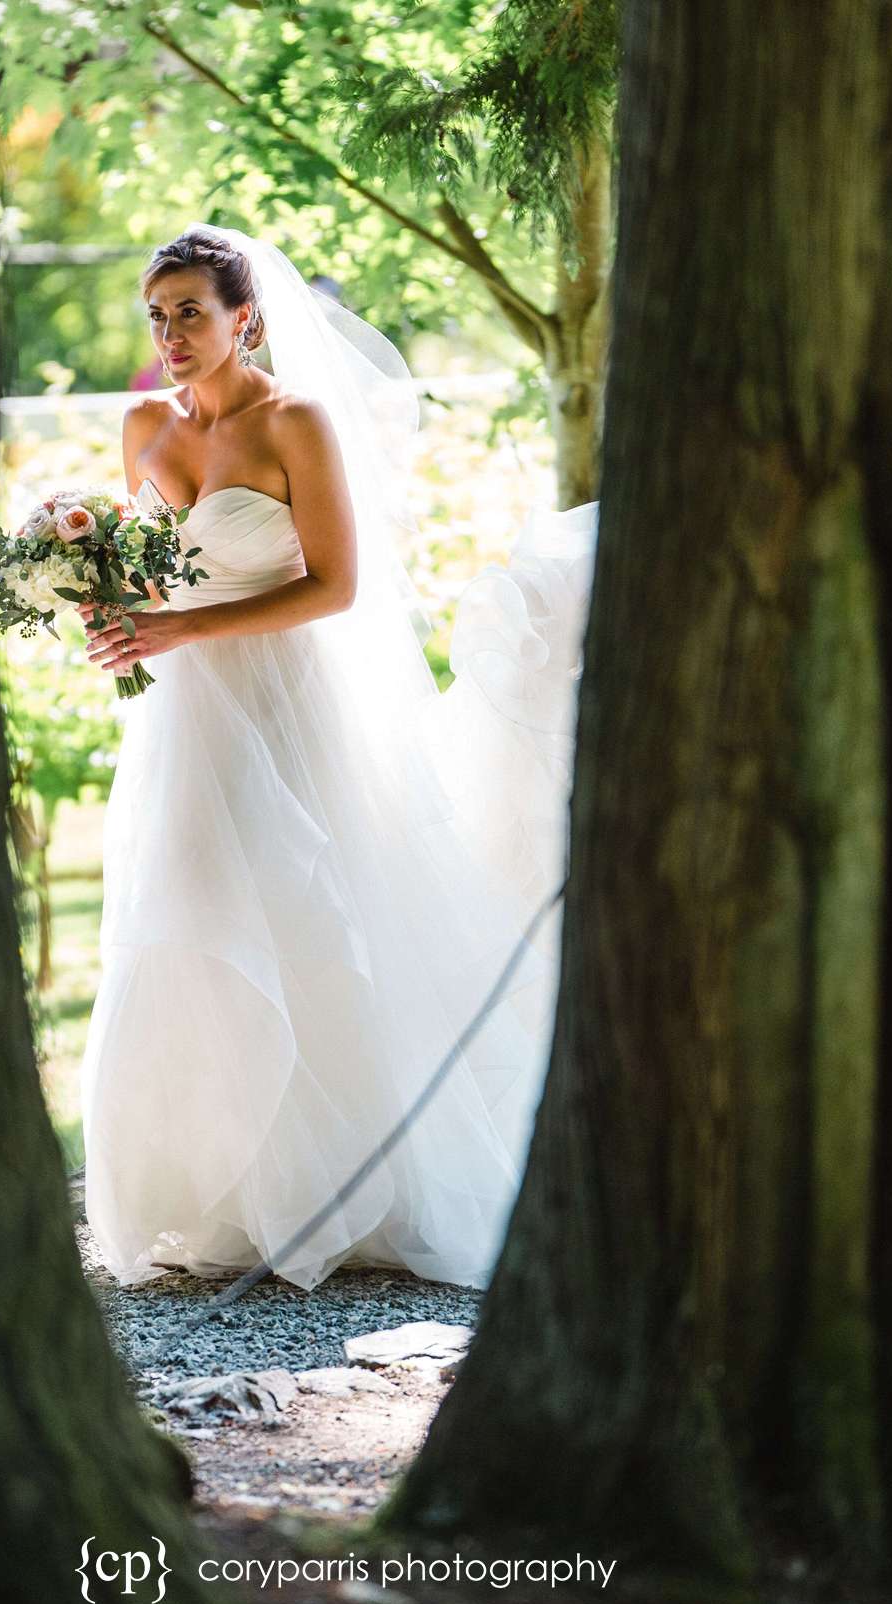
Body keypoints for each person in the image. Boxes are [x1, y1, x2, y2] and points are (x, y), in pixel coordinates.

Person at [75, 223, 596, 1292]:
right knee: (188, 918)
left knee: (306, 914)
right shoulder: (139, 427)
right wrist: (111, 614)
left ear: (244, 317)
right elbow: (144, 573)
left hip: (283, 703)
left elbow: (334, 586)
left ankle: (347, 1191)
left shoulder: (294, 422)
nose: (171, 334)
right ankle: (218, 1191)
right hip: (181, 717)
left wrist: (179, 630)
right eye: (157, 314)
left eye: (191, 312)